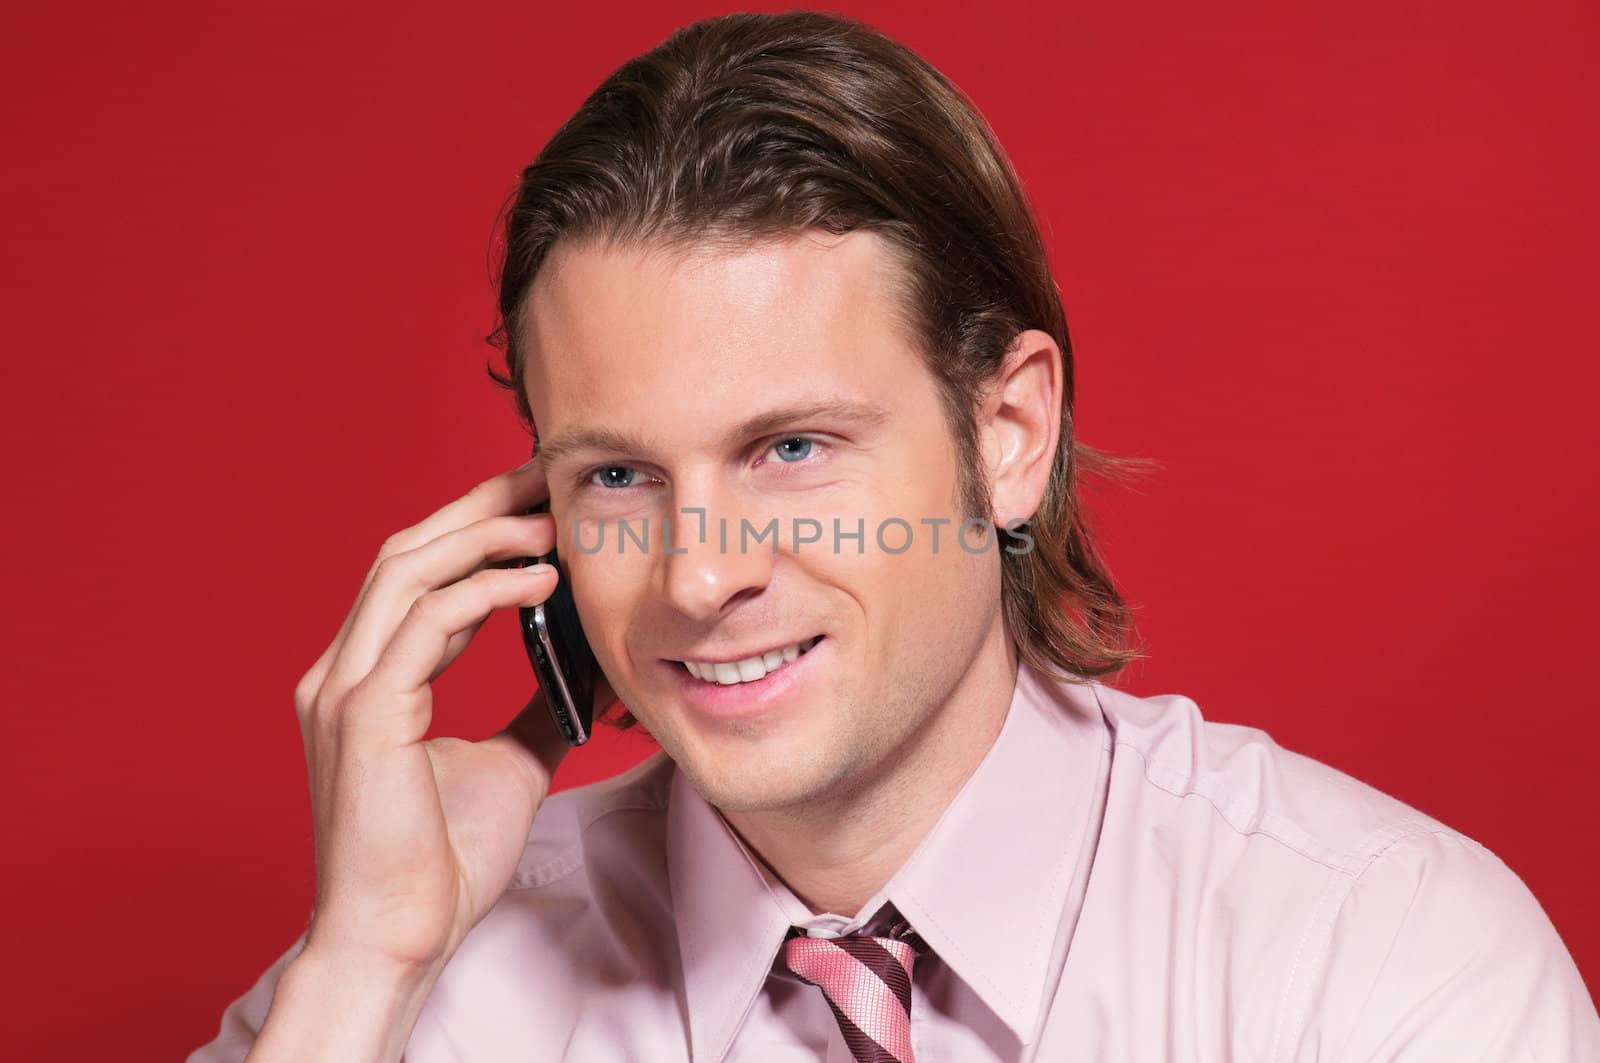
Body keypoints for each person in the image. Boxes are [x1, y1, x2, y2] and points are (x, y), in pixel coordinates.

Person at [189, 11, 1599, 1062]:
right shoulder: (406, 989)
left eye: (792, 449)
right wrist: (366, 966)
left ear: (1008, 436)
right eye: (616, 476)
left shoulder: (1377, 959)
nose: (697, 574)